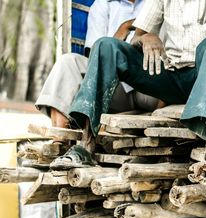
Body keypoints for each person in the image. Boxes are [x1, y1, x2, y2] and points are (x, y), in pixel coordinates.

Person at [50, 0, 206, 169]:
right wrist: (146, 38)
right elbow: (139, 35)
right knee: (105, 45)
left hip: (204, 76)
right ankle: (86, 145)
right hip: (170, 76)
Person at [35, 0, 160, 146]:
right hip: (114, 89)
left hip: (149, 87)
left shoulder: (156, 3)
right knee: (67, 62)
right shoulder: (102, 5)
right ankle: (58, 142)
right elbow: (95, 57)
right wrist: (123, 28)